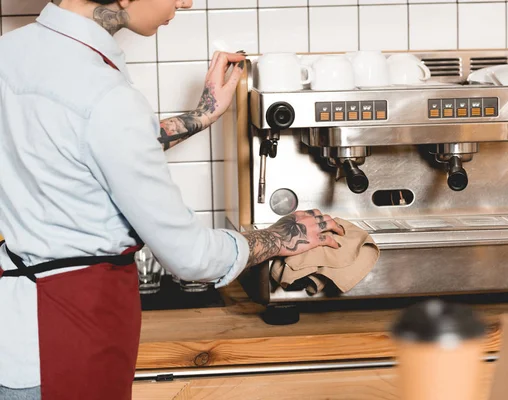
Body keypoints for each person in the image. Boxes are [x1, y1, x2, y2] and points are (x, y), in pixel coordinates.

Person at [0, 0, 345, 399]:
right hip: (70, 341)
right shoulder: (105, 93)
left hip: (15, 338)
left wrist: (202, 114)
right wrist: (279, 237)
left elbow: (77, 143)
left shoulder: (11, 52)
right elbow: (192, 257)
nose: (185, 1)